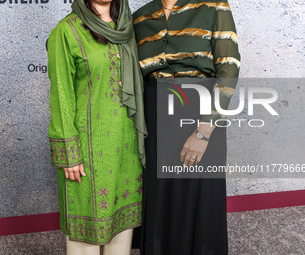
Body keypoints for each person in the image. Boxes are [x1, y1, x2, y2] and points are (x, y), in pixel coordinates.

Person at [133, 0, 241, 254]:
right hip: (155, 119)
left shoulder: (214, 6)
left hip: (201, 116)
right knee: (160, 202)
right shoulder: (140, 17)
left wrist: (204, 131)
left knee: (200, 205)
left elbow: (228, 68)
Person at [46, 0, 147, 254]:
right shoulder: (67, 31)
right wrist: (69, 154)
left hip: (126, 148)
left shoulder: (128, 27)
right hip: (87, 151)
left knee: (121, 239)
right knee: (84, 241)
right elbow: (61, 96)